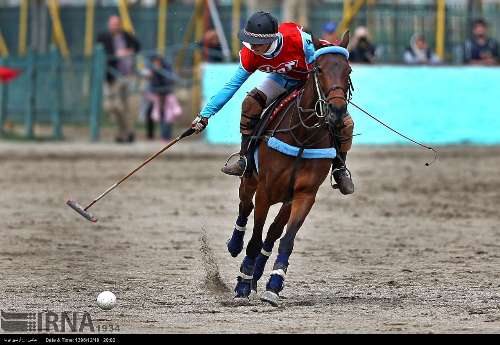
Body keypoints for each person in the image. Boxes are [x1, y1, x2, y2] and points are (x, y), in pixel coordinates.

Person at [190, 11, 355, 195]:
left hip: (310, 82)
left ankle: (339, 168)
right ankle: (245, 159)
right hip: (281, 79)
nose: (252, 46)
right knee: (250, 103)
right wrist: (205, 115)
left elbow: (327, 61)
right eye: (250, 40)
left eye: (257, 42)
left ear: (272, 39)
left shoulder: (297, 39)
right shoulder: (250, 54)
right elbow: (232, 86)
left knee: (346, 124)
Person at [97, 15, 141, 143]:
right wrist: (116, 54)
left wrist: (128, 51)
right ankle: (125, 131)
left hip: (126, 76)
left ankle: (125, 134)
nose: (114, 26)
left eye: (116, 24)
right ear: (108, 25)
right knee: (113, 106)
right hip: (112, 77)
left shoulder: (126, 36)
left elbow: (138, 47)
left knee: (126, 107)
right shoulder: (103, 37)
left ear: (120, 24)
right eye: (112, 24)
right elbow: (100, 54)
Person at [141, 54, 181, 141]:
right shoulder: (152, 69)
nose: (156, 64)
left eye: (157, 62)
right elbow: (145, 75)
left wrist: (160, 71)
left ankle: (166, 136)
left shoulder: (166, 69)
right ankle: (150, 135)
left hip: (165, 96)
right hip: (156, 96)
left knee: (167, 117)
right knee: (150, 114)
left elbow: (171, 80)